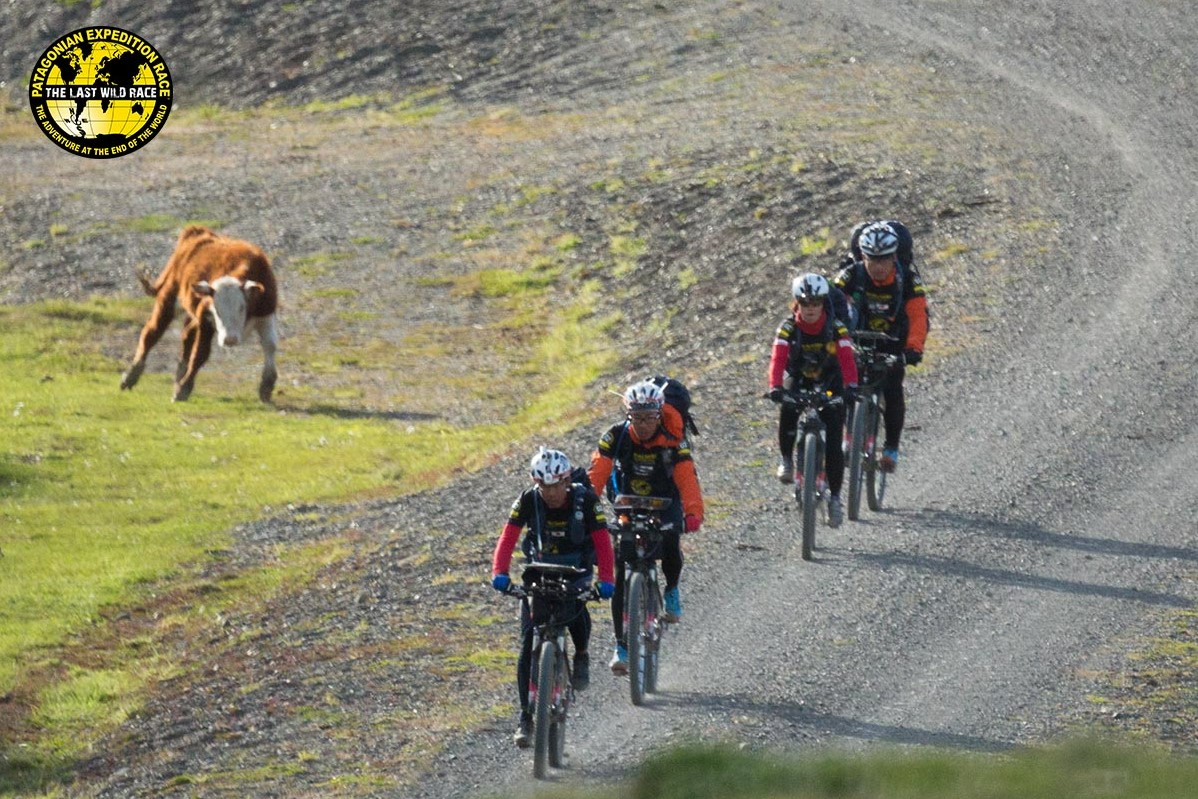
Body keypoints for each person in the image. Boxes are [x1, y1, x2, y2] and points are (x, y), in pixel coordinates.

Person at [491, 447, 615, 748]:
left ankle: (581, 653)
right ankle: (525, 716)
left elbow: (602, 542)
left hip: (576, 568)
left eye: (556, 485)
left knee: (576, 612)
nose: (551, 493)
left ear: (565, 481)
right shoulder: (527, 500)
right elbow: (508, 538)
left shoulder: (586, 500)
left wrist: (606, 581)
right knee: (526, 644)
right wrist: (500, 573)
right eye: (544, 486)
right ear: (537, 483)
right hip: (539, 571)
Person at [587, 379, 704, 674]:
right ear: (629, 415)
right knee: (621, 576)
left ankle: (672, 590)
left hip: (666, 500)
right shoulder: (615, 436)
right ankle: (622, 646)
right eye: (637, 418)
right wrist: (587, 510)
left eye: (649, 417)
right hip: (627, 502)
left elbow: (687, 478)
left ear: (658, 414)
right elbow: (597, 474)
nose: (643, 424)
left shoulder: (675, 438)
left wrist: (692, 513)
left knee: (670, 542)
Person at [833, 221, 928, 472]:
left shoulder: (907, 278)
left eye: (883, 260)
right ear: (862, 256)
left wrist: (914, 348)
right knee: (842, 383)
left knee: (893, 385)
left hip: (894, 338)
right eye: (871, 259)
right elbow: (829, 301)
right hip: (856, 336)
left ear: (894, 256)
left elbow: (918, 315)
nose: (877, 266)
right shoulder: (851, 274)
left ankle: (891, 449)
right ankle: (844, 436)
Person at [767, 273, 859, 527]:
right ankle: (787, 460)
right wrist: (775, 386)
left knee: (833, 439)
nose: (810, 310)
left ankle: (835, 498)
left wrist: (851, 386)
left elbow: (847, 359)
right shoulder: (788, 327)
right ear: (797, 303)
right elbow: (777, 359)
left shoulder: (836, 327)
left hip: (830, 381)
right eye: (805, 304)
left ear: (822, 304)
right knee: (788, 408)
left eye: (815, 304)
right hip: (799, 378)